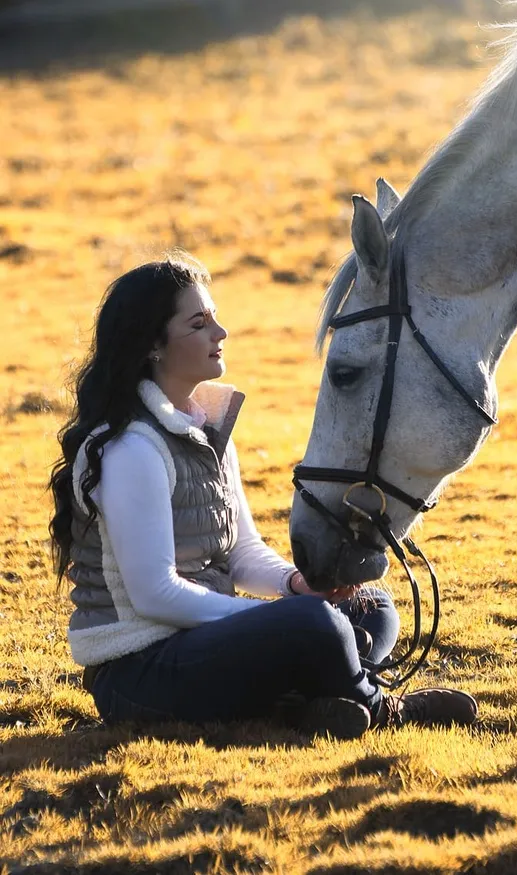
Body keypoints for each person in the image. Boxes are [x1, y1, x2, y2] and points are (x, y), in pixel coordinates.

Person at [49, 254, 478, 739]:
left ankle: (312, 703)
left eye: (213, 316)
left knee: (371, 606)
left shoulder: (203, 427)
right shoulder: (132, 449)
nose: (220, 332)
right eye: (199, 323)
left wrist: (295, 585)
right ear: (153, 344)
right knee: (315, 625)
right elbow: (155, 595)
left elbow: (242, 551)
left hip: (200, 644)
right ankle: (380, 709)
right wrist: (280, 614)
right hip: (142, 674)